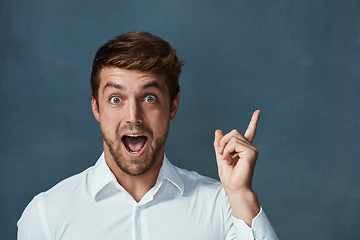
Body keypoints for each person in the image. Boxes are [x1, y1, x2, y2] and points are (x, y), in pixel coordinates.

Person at [17, 31, 279, 240]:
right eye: (116, 98)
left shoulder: (221, 205)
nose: (133, 116)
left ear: (173, 106)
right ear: (96, 108)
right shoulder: (45, 214)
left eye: (149, 98)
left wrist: (240, 193)